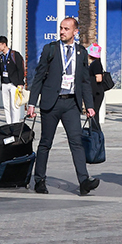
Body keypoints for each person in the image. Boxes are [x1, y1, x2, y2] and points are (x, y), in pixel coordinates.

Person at [26, 17, 98, 195]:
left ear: (75, 32)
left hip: (71, 104)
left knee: (77, 142)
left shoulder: (81, 52)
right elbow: (39, 77)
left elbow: (84, 82)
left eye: (66, 29)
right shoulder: (50, 49)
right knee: (45, 143)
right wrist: (32, 103)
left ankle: (83, 181)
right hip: (52, 103)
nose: (62, 31)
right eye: (61, 28)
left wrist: (89, 105)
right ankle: (40, 180)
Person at [0, 36, 26, 124]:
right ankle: (9, 124)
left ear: (4, 44)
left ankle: (15, 125)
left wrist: (21, 83)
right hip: (4, 83)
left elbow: (20, 69)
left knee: (14, 106)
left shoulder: (14, 55)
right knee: (6, 106)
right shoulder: (1, 57)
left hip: (14, 84)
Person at [87, 44, 106, 116]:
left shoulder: (96, 64)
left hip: (96, 91)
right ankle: (94, 127)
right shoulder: (95, 63)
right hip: (95, 91)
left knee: (94, 113)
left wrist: (88, 79)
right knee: (93, 113)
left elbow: (99, 78)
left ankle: (95, 127)